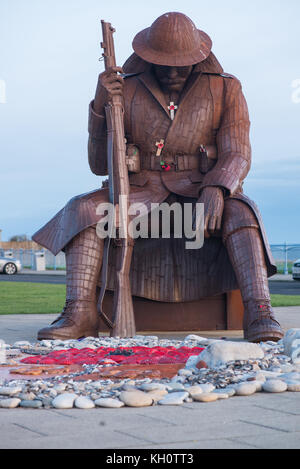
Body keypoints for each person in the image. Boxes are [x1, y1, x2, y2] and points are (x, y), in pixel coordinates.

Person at [33, 12, 283, 343]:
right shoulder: (127, 88)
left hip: (199, 190)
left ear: (198, 57)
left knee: (243, 212)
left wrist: (218, 188)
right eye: (164, 63)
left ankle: (259, 311)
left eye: (180, 64)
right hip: (141, 192)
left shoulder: (225, 88)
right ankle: (79, 312)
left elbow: (238, 152)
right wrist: (100, 104)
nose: (172, 71)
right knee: (83, 210)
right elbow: (98, 164)